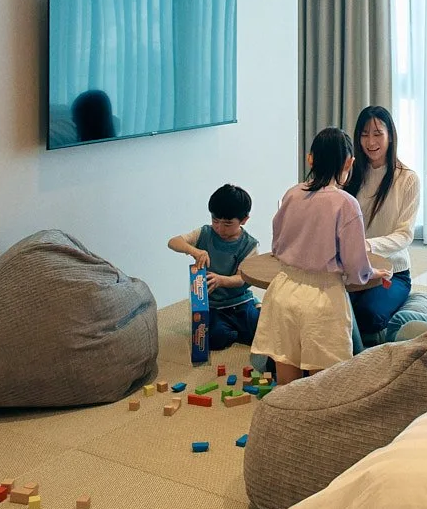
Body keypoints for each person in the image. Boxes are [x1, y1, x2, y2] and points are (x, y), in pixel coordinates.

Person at [262, 128, 391, 384]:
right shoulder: (345, 203)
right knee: (324, 385)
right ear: (348, 162)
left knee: (287, 380)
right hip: (321, 299)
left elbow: (277, 246)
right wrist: (371, 273)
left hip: (282, 291)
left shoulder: (291, 193)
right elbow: (356, 266)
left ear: (311, 159)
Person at [342, 104, 419, 343]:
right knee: (331, 311)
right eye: (364, 134)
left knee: (367, 316)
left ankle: (417, 304)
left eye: (377, 134)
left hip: (392, 272)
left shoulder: (407, 179)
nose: (370, 141)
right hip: (354, 270)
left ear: (390, 136)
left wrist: (366, 245)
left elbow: (404, 235)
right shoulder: (350, 174)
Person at [164, 184, 261, 352]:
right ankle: (234, 332)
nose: (220, 228)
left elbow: (242, 278)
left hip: (240, 302)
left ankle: (255, 308)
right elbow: (173, 242)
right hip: (214, 306)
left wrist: (221, 280)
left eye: (227, 224)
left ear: (244, 220)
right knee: (213, 339)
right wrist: (194, 251)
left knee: (262, 333)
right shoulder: (205, 233)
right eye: (215, 221)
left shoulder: (249, 244)